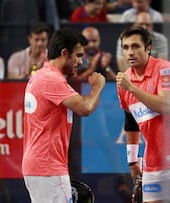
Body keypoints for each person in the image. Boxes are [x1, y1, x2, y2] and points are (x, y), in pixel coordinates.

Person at [116, 26, 170, 203]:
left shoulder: (165, 70)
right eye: (125, 47)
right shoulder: (124, 80)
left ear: (148, 48)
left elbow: (165, 104)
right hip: (153, 161)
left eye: (135, 46)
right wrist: (132, 160)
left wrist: (132, 87)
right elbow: (130, 120)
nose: (130, 52)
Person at [22, 28, 106, 203]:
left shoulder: (42, 76)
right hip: (48, 168)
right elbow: (85, 108)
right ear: (64, 53)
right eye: (78, 55)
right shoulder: (51, 79)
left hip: (40, 167)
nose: (80, 61)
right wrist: (98, 86)